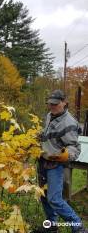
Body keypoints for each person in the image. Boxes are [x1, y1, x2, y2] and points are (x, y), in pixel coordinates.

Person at [38, 89, 88, 233]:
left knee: (54, 198)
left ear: (64, 103)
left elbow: (74, 147)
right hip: (43, 161)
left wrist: (65, 155)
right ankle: (52, 226)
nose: (52, 107)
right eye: (50, 104)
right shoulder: (49, 115)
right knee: (44, 195)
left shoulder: (69, 123)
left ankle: (78, 227)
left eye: (55, 104)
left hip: (55, 164)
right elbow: (47, 133)